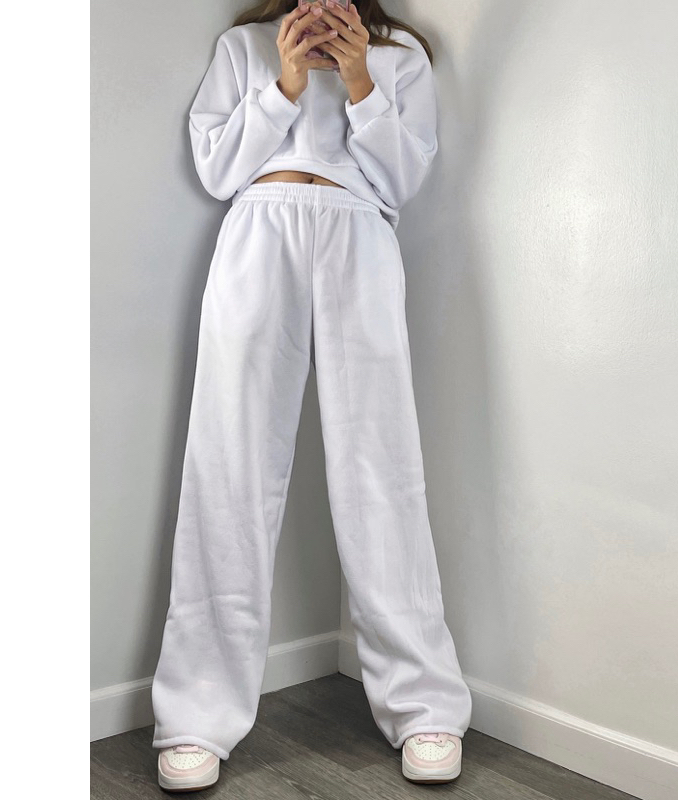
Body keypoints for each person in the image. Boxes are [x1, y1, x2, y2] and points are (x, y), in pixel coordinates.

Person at [150, 0, 472, 790]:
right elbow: (218, 170)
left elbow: (403, 179)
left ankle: (424, 703)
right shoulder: (245, 47)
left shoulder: (401, 56)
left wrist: (360, 79)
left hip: (360, 231)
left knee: (382, 469)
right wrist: (285, 85)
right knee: (227, 467)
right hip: (257, 232)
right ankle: (196, 713)